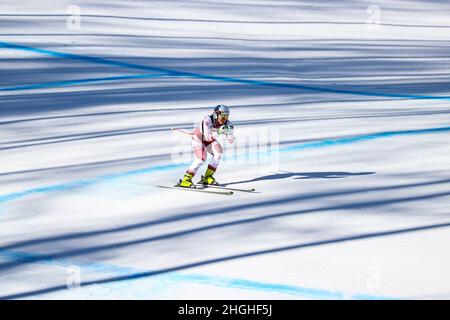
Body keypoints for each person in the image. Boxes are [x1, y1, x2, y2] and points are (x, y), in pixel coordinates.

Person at [177, 104, 235, 187]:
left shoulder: (227, 123)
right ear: (216, 115)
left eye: (226, 117)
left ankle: (207, 177)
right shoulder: (207, 120)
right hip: (199, 139)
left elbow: (231, 140)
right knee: (201, 159)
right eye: (222, 117)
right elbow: (207, 137)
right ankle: (186, 179)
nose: (224, 120)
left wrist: (230, 132)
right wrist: (219, 132)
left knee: (219, 153)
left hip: (209, 140)